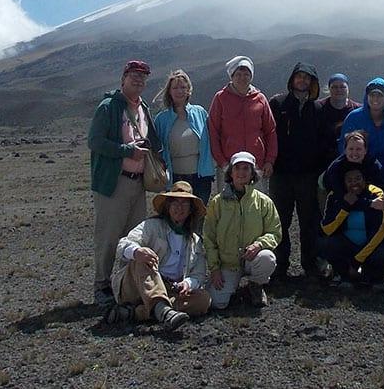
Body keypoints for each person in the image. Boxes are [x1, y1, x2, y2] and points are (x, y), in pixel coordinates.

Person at [88, 60, 162, 306]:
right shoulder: (109, 107)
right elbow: (95, 142)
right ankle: (102, 285)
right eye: (133, 76)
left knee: (133, 237)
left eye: (142, 78)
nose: (138, 81)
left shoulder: (143, 108)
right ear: (123, 79)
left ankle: (126, 284)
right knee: (109, 236)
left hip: (137, 183)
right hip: (114, 183)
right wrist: (126, 150)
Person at [106, 181, 211, 329]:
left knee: (204, 300)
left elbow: (199, 274)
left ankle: (138, 312)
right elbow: (123, 244)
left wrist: (187, 283)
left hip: (170, 288)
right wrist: (137, 252)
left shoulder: (195, 240)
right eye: (175, 202)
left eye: (184, 203)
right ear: (168, 206)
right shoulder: (151, 226)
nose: (179, 208)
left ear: (190, 210)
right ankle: (164, 311)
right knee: (143, 259)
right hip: (137, 284)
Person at [268, 62, 327, 279]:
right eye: (299, 76)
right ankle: (280, 264)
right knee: (280, 220)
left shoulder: (317, 109)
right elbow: (269, 136)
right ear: (292, 79)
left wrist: (320, 169)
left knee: (308, 221)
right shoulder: (278, 103)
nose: (302, 81)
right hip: (281, 174)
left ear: (312, 82)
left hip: (308, 175)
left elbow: (322, 141)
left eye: (307, 77)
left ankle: (309, 263)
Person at [204, 151, 282, 309]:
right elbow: (209, 237)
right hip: (227, 264)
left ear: (252, 173)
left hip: (253, 259)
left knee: (267, 258)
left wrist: (259, 245)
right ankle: (233, 286)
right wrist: (214, 268)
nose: (241, 172)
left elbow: (275, 232)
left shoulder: (264, 202)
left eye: (246, 168)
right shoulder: (217, 203)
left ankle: (255, 285)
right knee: (217, 303)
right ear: (230, 172)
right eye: (237, 168)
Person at [208, 56, 277, 193]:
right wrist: (222, 162)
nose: (242, 78)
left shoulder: (260, 99)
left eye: (246, 74)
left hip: (256, 165)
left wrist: (270, 160)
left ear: (251, 76)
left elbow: (270, 130)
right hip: (229, 166)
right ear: (231, 76)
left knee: (256, 206)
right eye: (238, 74)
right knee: (228, 206)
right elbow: (213, 131)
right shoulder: (221, 98)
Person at [339, 77, 384, 224]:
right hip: (365, 169)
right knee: (371, 207)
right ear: (366, 97)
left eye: (379, 95)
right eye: (372, 95)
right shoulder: (355, 117)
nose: (375, 99)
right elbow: (343, 146)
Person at [320, 167, 384, 290]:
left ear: (365, 179)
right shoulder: (335, 196)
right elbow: (327, 229)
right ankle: (345, 276)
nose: (354, 183)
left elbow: (380, 232)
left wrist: (356, 262)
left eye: (358, 178)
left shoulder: (376, 195)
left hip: (371, 245)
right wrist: (345, 207)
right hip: (348, 244)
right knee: (327, 243)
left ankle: (375, 277)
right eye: (349, 180)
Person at [153, 69, 215, 203]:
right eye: (175, 87)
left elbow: (211, 140)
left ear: (189, 90)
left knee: (198, 216)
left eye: (183, 87)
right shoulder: (161, 120)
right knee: (178, 217)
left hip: (200, 178)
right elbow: (156, 151)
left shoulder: (200, 113)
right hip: (175, 178)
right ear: (169, 91)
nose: (179, 91)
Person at [318, 73, 360, 168]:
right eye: (334, 87)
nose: (339, 90)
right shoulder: (318, 107)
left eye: (342, 87)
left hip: (350, 159)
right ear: (329, 89)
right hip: (322, 159)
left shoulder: (357, 110)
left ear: (348, 89)